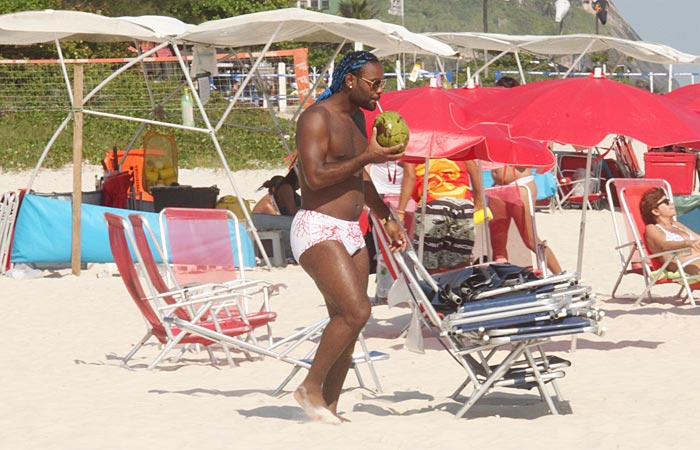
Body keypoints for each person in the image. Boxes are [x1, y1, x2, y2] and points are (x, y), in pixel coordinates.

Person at [291, 51, 406, 424]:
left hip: (351, 230)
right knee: (358, 310)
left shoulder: (358, 118)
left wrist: (385, 216)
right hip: (317, 227)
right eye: (375, 84)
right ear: (351, 81)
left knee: (348, 322)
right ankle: (309, 386)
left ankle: (328, 405)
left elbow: (360, 179)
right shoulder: (316, 118)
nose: (380, 91)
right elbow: (315, 177)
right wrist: (367, 156)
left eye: (383, 83)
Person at [489, 75, 563, 275]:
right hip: (497, 187)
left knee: (530, 239)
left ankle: (560, 274)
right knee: (497, 242)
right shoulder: (491, 122)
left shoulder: (523, 123)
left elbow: (543, 149)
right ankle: (502, 280)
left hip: (520, 184)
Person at [398, 158, 485, 273]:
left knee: (429, 262)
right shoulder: (455, 142)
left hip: (434, 202)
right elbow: (474, 170)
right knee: (460, 260)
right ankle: (458, 287)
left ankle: (433, 289)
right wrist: (479, 202)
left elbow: (410, 176)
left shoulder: (415, 144)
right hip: (463, 204)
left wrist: (400, 212)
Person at [641, 187, 700, 275]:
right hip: (685, 264)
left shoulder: (676, 224)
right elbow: (663, 246)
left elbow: (698, 239)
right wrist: (687, 243)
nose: (671, 203)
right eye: (666, 202)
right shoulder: (652, 228)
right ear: (656, 211)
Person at [251, 169, 301, 262]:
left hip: (259, 218)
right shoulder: (286, 188)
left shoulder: (288, 188)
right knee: (293, 226)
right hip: (261, 219)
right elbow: (292, 211)